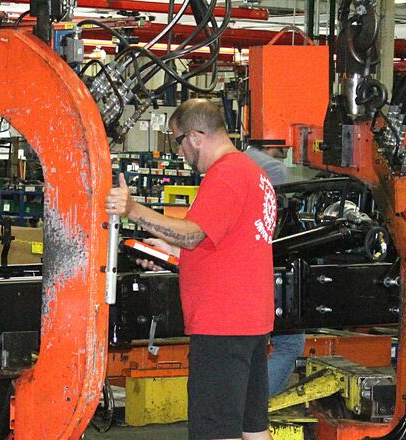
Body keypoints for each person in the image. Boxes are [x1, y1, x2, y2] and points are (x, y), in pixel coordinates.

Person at [106, 99, 275, 440]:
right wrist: (170, 251)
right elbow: (223, 245)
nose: (179, 152)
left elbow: (195, 232)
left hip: (222, 328)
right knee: (253, 430)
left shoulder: (225, 175)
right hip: (250, 324)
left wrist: (133, 209)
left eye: (177, 141)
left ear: (196, 137)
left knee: (217, 432)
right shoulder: (251, 173)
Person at [244, 146, 307, 397]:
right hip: (266, 269)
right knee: (289, 344)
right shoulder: (274, 170)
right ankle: (253, 409)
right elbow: (280, 226)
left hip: (241, 269)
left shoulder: (240, 160)